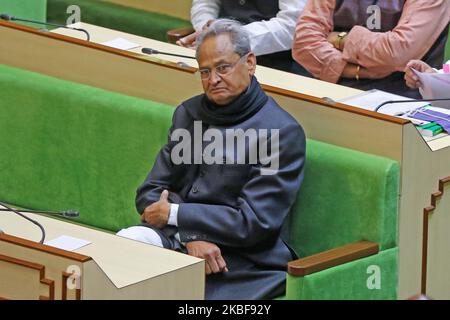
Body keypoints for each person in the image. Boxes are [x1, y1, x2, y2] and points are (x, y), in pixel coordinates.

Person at [117, 19, 306, 300]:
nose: (213, 79)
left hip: (240, 262)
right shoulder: (188, 114)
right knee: (116, 255)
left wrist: (175, 215)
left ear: (250, 63)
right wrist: (192, 236)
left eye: (223, 68)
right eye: (205, 71)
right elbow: (150, 193)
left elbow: (253, 223)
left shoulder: (281, 132)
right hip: (178, 240)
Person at [293, 0, 450, 98]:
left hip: (400, 98)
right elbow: (303, 42)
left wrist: (338, 39)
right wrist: (359, 71)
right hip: (328, 86)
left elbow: (397, 52)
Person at [177, 0, 307, 74]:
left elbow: (291, 26)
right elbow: (205, 3)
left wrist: (228, 39)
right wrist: (206, 31)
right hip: (218, 54)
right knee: (197, 114)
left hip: (277, 65)